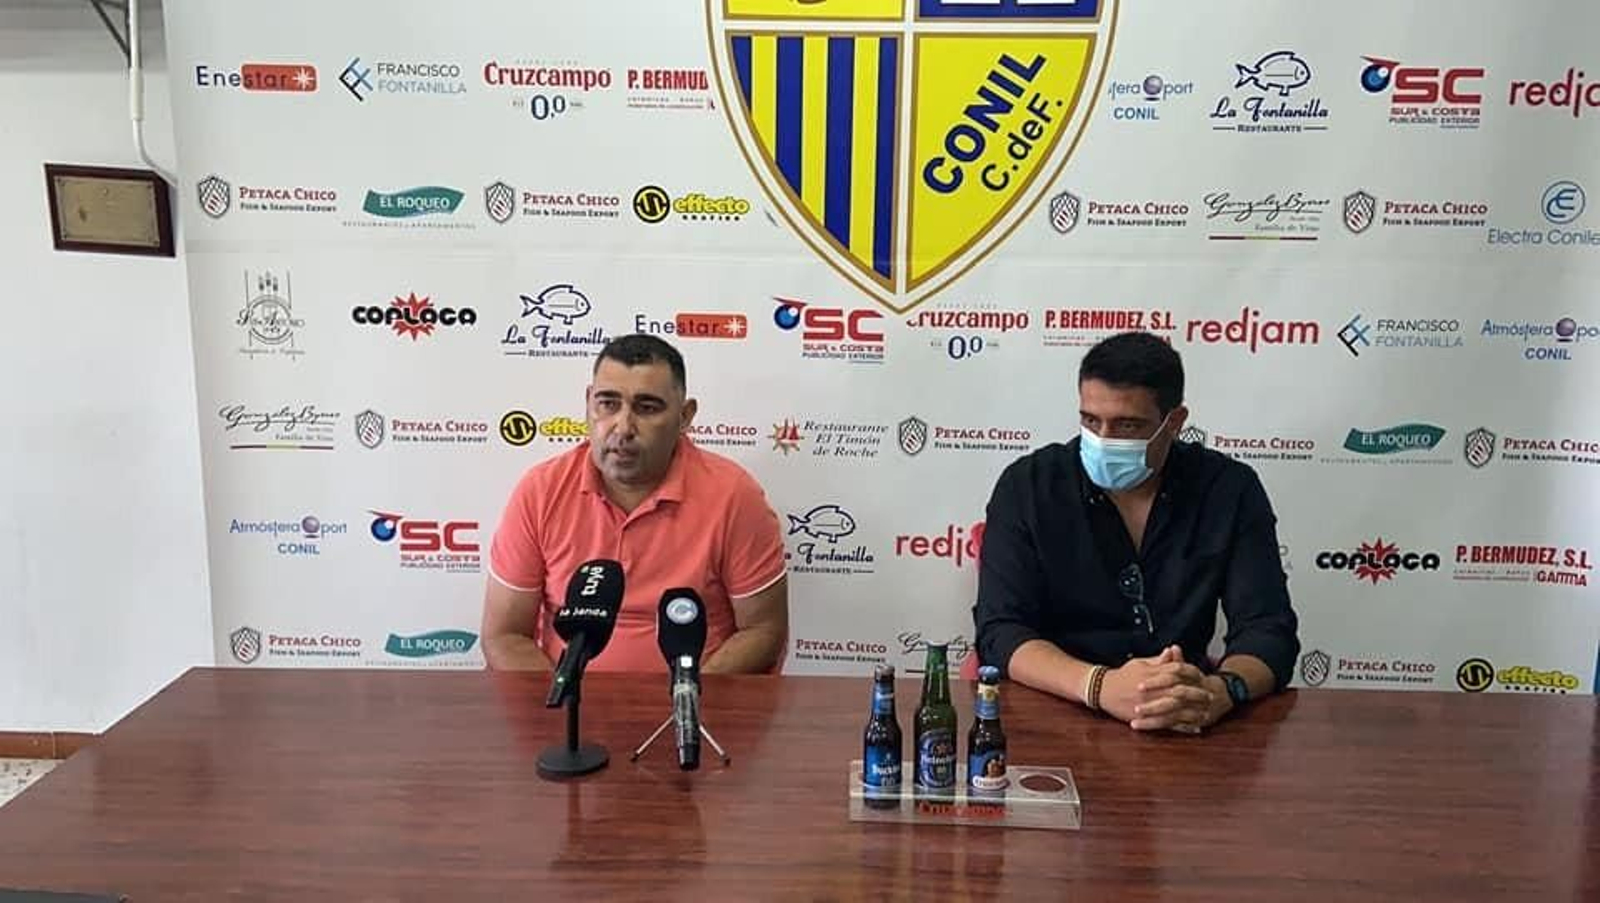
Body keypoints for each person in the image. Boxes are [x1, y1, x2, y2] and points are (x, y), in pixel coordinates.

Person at [973, 331, 1299, 734]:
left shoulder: (1229, 489)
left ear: (1174, 423)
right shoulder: (1028, 485)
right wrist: (1100, 686)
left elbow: (1268, 630)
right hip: (1056, 713)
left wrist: (1220, 691)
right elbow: (1000, 631)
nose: (1104, 440)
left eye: (1127, 425)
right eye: (1091, 421)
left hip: (1182, 718)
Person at [482, 334, 788, 673]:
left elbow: (763, 631)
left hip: (694, 708)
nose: (623, 427)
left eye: (647, 408)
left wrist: (686, 706)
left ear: (685, 417)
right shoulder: (540, 491)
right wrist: (562, 708)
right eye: (608, 404)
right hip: (569, 712)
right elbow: (504, 636)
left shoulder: (734, 496)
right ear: (588, 403)